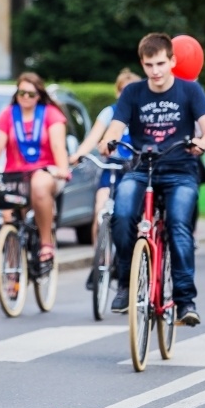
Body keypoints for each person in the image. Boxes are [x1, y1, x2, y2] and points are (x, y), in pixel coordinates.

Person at [98, 32, 205, 325]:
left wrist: (202, 144)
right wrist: (109, 141)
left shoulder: (190, 91)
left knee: (179, 226)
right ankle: (126, 282)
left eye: (161, 63)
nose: (156, 71)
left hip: (180, 170)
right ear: (142, 63)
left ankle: (185, 300)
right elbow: (115, 127)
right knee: (122, 213)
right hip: (142, 168)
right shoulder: (133, 93)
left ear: (173, 61)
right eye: (149, 65)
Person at [69, 68, 141, 289]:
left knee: (134, 220)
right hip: (112, 169)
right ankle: (100, 260)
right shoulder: (110, 113)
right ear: (117, 92)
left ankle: (128, 262)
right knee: (100, 211)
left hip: (136, 170)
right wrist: (79, 154)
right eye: (122, 90)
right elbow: (94, 137)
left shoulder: (143, 114)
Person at [0, 72, 70, 273]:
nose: (25, 97)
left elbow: (57, 145)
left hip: (46, 172)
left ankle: (46, 243)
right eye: (21, 92)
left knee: (38, 184)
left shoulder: (50, 114)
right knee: (8, 217)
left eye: (31, 93)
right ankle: (11, 271)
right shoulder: (8, 114)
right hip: (15, 177)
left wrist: (63, 169)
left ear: (39, 95)